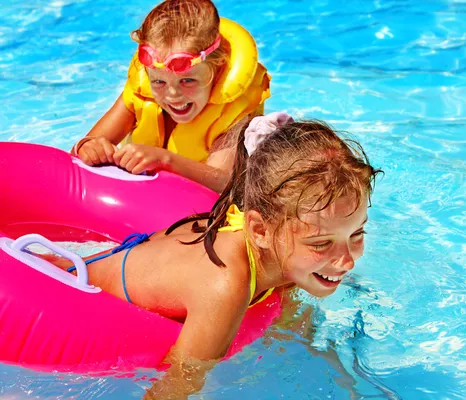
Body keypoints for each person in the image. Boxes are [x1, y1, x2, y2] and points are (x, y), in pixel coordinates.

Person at [52, 114, 381, 398]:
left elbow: (290, 316)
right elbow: (178, 384)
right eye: (322, 244)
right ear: (260, 231)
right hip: (69, 294)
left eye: (356, 234)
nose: (347, 261)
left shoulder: (281, 244)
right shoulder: (224, 287)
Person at [71, 0, 270, 192]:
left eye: (187, 81)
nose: (172, 95)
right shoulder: (141, 94)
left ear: (217, 70)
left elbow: (223, 181)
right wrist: (89, 147)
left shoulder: (231, 112)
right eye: (159, 82)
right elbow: (82, 148)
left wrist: (165, 160)